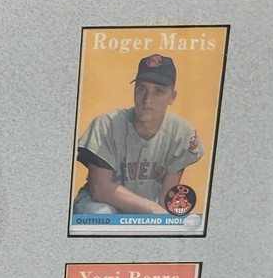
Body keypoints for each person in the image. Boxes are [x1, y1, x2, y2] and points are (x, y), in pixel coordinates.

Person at [72, 54, 203, 216]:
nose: (147, 99)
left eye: (158, 91)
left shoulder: (181, 132)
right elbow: (100, 189)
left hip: (147, 208)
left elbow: (166, 197)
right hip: (100, 203)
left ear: (172, 97)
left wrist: (162, 215)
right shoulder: (107, 124)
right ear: (134, 91)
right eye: (142, 89)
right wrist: (153, 210)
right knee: (101, 213)